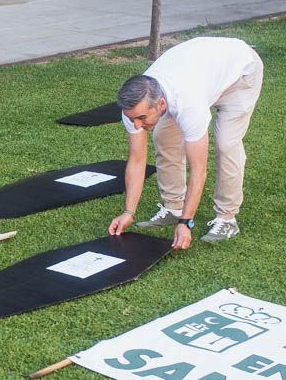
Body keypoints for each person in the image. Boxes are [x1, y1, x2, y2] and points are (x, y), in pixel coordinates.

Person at [108, 36, 264, 249]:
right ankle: (173, 207)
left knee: (226, 144)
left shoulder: (188, 104)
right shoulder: (135, 107)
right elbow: (136, 161)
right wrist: (128, 212)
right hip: (201, 73)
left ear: (161, 104)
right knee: (164, 138)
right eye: (132, 118)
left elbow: (199, 169)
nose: (136, 125)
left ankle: (227, 218)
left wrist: (186, 222)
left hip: (241, 74)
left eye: (142, 119)